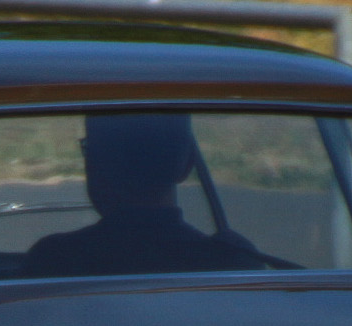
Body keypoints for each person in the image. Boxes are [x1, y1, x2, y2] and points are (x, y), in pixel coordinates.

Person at [21, 113, 273, 278]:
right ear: (186, 165)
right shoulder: (234, 263)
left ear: (95, 161)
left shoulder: (55, 260)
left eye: (90, 148)